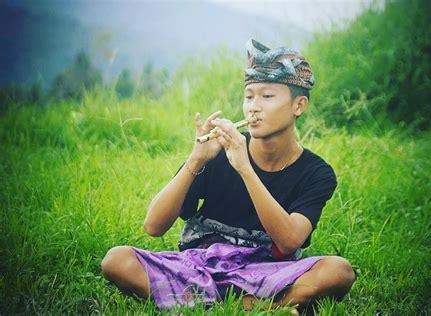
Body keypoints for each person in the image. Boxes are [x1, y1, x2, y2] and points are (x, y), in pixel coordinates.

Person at [101, 39, 355, 312]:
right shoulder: (218, 150)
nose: (253, 107)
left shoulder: (316, 172)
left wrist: (245, 168)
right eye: (249, 96)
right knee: (117, 261)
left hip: (267, 271)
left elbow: (290, 240)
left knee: (338, 271)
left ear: (299, 105)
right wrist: (196, 158)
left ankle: (205, 304)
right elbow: (154, 226)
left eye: (267, 97)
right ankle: (259, 307)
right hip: (200, 267)